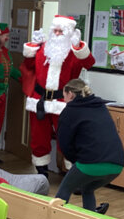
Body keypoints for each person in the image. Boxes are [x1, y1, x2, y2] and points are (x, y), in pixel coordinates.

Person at [22, 15, 95, 176]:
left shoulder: (74, 52)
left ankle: (72, 174)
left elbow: (89, 63)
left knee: (67, 137)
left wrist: (79, 47)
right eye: (54, 30)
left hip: (63, 101)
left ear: (68, 33)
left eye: (60, 31)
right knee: (38, 137)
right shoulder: (43, 49)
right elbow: (27, 66)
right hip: (39, 100)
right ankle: (41, 172)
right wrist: (32, 47)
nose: (56, 33)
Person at [54, 79, 124, 214]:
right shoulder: (101, 106)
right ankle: (91, 218)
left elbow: (64, 144)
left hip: (91, 162)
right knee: (87, 188)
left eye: (64, 96)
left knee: (65, 189)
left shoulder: (70, 111)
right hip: (117, 164)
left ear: (70, 94)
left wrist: (76, 161)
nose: (64, 100)